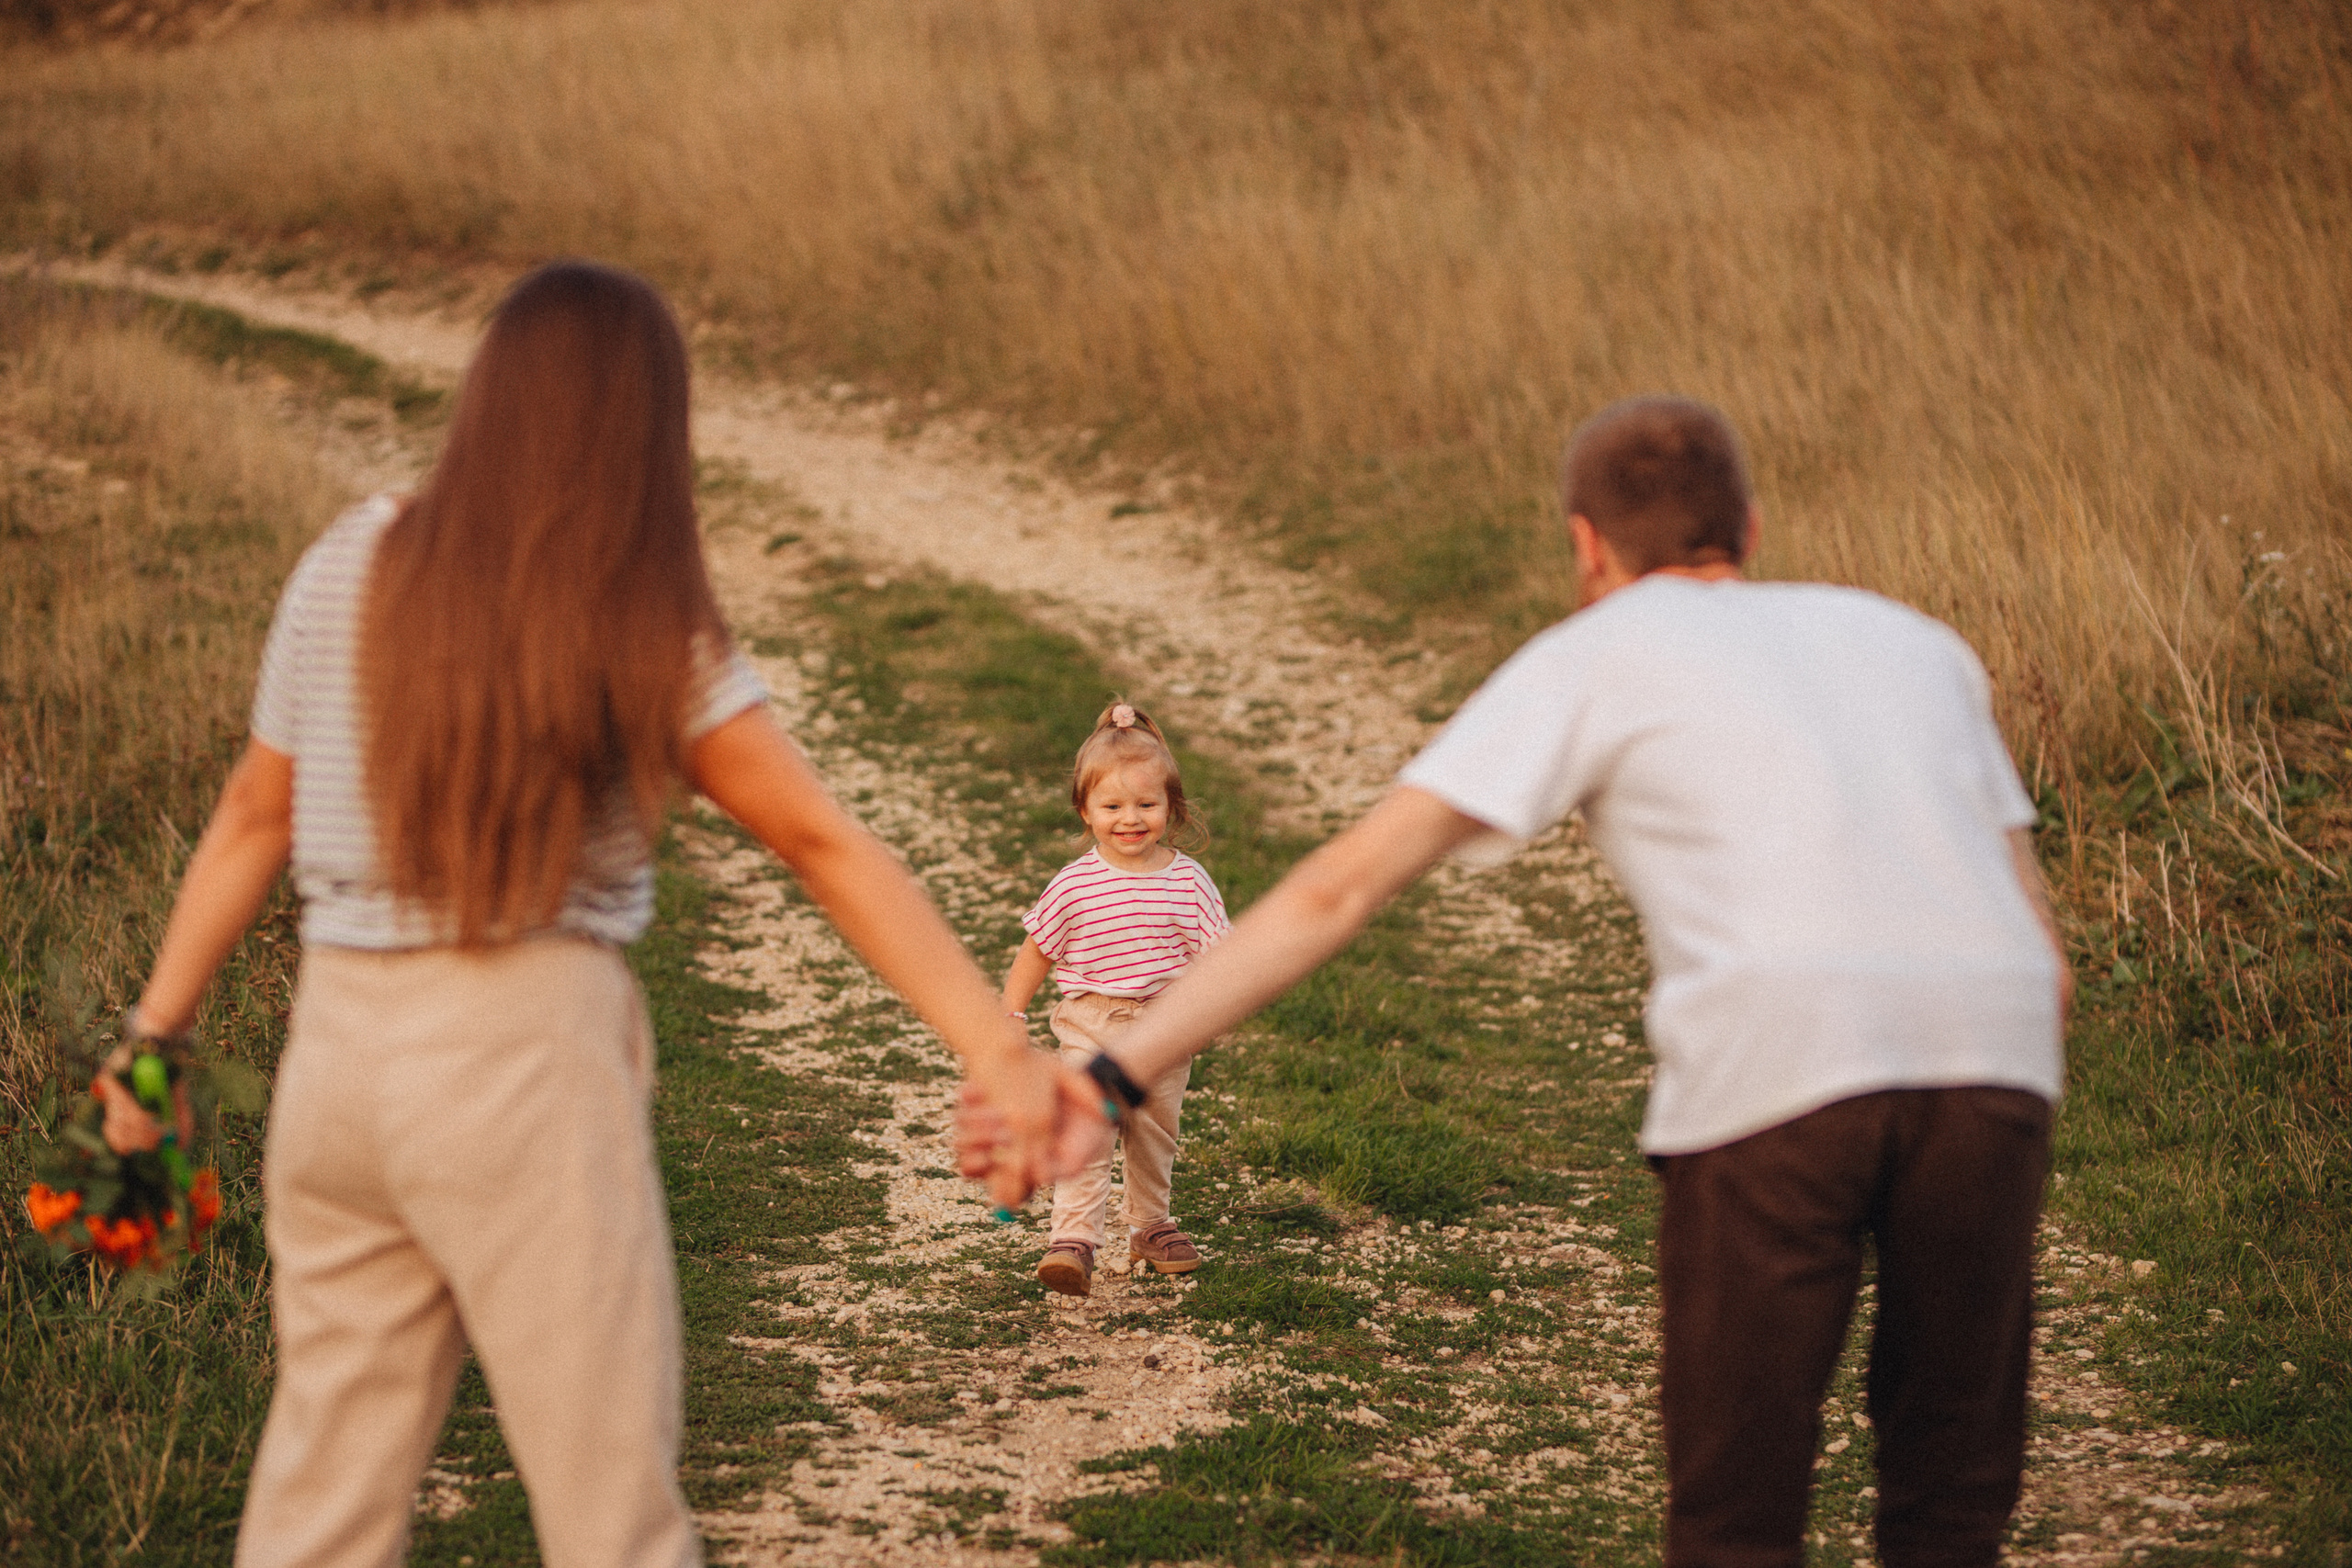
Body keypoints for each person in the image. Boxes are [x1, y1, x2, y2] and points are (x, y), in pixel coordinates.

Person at [964, 396, 2071, 1568]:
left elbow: (1341, 890)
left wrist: (1109, 1076)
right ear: (1747, 527)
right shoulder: (1916, 644)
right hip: (1993, 1060)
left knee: (1740, 1501)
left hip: (1780, 1066)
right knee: (1950, 1487)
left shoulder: (1593, 654)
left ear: (1586, 547)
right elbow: (2039, 956)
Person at [97, 260, 1085, 1568]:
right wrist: (995, 1042)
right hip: (523, 1061)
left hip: (336, 1059)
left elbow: (249, 816)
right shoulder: (635, 614)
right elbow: (815, 838)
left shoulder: (350, 560)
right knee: (609, 1511)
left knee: (318, 1503)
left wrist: (150, 1038)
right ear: (645, 428)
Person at [1000, 702, 1229, 1296]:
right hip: (1090, 1023)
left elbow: (1222, 960)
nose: (1130, 818)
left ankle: (1149, 1223)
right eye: (1112, 806)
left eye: (1146, 805)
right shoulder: (1075, 883)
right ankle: (1073, 1239)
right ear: (1086, 809)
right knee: (1088, 1129)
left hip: (1164, 1029)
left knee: (1154, 1131)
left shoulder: (1189, 881)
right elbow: (1037, 951)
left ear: (1171, 808)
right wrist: (1012, 1012)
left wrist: (1216, 1012)